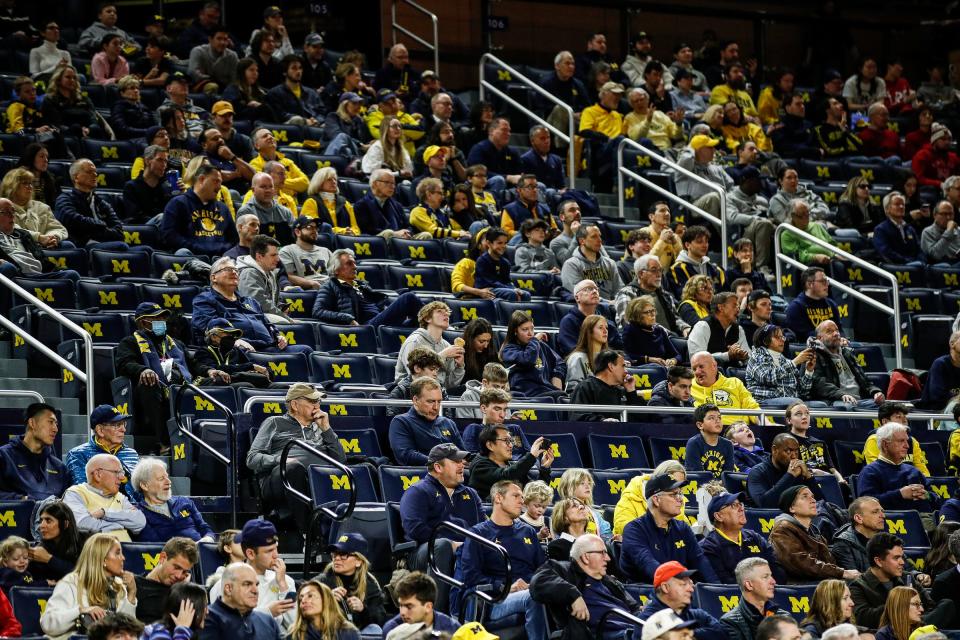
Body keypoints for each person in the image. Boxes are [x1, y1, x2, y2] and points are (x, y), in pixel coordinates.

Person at [449, 480, 547, 640]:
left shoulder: (527, 531)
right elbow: (471, 576)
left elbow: (542, 567)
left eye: (522, 497)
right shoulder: (478, 533)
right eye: (516, 496)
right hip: (495, 599)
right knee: (533, 598)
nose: (521, 501)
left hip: (530, 589)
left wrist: (535, 583)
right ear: (498, 498)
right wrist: (505, 587)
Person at [246, 384, 343, 531]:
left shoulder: (319, 426)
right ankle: (309, 533)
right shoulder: (274, 423)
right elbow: (252, 459)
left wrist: (327, 430)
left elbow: (340, 461)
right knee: (293, 468)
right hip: (280, 478)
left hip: (316, 477)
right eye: (312, 401)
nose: (317, 406)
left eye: (318, 402)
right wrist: (281, 460)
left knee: (367, 467)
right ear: (294, 404)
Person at [114, 302, 195, 454]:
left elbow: (194, 365)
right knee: (149, 384)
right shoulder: (130, 342)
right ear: (143, 321)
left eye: (163, 318)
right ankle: (164, 443)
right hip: (149, 389)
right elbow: (124, 363)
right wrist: (143, 370)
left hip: (178, 386)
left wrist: (210, 371)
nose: (162, 322)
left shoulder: (176, 344)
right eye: (157, 318)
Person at [530, 532, 640, 640]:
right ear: (585, 557)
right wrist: (574, 595)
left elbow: (634, 608)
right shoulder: (566, 571)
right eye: (602, 553)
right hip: (604, 634)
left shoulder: (609, 581)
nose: (608, 558)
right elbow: (538, 581)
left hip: (634, 629)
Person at [193, 257, 311, 354]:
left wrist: (278, 335)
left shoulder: (250, 301)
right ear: (214, 277)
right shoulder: (204, 300)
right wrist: (233, 341)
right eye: (228, 269)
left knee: (305, 350)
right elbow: (207, 327)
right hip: (238, 351)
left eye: (236, 270)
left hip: (269, 347)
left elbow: (267, 323)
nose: (234, 272)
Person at [620, 474, 718, 582]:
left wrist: (717, 592)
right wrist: (677, 584)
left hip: (679, 590)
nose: (681, 499)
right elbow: (648, 564)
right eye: (674, 494)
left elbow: (701, 563)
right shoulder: (634, 530)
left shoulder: (682, 528)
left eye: (680, 494)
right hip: (645, 594)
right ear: (656, 500)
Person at [40, 533, 138, 640]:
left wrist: (131, 594)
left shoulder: (119, 585)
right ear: (103, 559)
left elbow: (126, 631)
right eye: (118, 553)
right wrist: (81, 610)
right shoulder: (72, 582)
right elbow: (48, 624)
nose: (123, 558)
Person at [208, 518, 297, 633]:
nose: (276, 555)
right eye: (269, 551)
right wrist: (268, 612)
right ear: (250, 554)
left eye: (276, 548)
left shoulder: (285, 581)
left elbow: (295, 625)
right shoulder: (226, 584)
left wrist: (283, 586)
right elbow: (226, 628)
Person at [850, 534, 950, 631]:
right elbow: (864, 619)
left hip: (920, 628)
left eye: (902, 557)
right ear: (878, 561)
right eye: (896, 558)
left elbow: (929, 606)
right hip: (890, 634)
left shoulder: (907, 577)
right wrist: (902, 605)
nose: (902, 562)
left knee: (947, 605)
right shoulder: (858, 587)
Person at [769, 485, 858, 583]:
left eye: (812, 496)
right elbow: (800, 562)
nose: (813, 500)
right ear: (791, 508)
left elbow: (828, 561)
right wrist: (842, 573)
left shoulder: (813, 530)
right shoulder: (782, 529)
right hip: (803, 587)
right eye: (805, 497)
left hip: (823, 583)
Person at [312, 249, 423, 327]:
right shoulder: (330, 285)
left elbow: (378, 304)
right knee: (408, 298)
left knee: (420, 324)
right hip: (365, 326)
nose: (355, 266)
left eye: (354, 263)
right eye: (349, 263)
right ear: (336, 269)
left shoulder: (361, 284)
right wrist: (347, 318)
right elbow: (318, 311)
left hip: (380, 321)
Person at [857, 423, 940, 518]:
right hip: (891, 525)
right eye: (901, 441)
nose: (907, 446)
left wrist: (927, 495)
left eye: (907, 441)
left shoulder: (914, 471)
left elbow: (936, 499)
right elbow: (866, 505)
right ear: (885, 444)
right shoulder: (870, 472)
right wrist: (900, 494)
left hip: (927, 522)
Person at [701, 492, 784, 584]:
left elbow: (777, 570)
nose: (741, 509)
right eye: (734, 505)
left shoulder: (754, 537)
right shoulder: (708, 547)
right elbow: (723, 584)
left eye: (741, 504)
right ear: (719, 516)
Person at [63, 453, 146, 542]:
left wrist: (104, 513)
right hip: (96, 554)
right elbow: (81, 523)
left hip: (126, 552)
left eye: (122, 473)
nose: (122, 478)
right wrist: (118, 526)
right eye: (117, 472)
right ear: (98, 474)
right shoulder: (75, 493)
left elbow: (140, 522)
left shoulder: (120, 497)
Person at [636, 560, 726, 639]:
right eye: (683, 584)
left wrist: (687, 633)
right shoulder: (647, 621)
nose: (691, 589)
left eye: (690, 584)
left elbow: (722, 634)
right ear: (665, 588)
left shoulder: (697, 615)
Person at [161, 163, 237, 256]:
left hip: (220, 260)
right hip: (192, 257)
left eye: (220, 182)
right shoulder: (178, 203)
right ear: (201, 179)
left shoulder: (223, 208)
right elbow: (169, 236)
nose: (219, 187)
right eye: (216, 181)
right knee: (182, 253)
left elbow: (234, 239)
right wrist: (198, 249)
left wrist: (223, 250)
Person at [64, 405, 139, 497]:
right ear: (100, 430)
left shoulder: (131, 453)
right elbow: (83, 491)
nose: (123, 429)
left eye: (124, 424)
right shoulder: (78, 454)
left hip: (131, 508)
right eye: (117, 425)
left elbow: (138, 490)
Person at [132, 458, 215, 542]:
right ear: (144, 485)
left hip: (201, 551)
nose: (168, 481)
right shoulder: (139, 513)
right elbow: (154, 545)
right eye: (161, 479)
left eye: (167, 477)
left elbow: (205, 528)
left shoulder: (184, 502)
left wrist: (208, 539)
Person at [318, 534, 386, 635]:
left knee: (374, 629)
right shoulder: (324, 580)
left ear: (358, 561)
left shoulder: (370, 584)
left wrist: (363, 610)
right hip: (330, 632)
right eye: (334, 555)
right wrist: (326, 598)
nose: (336, 558)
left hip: (359, 632)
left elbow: (380, 618)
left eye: (343, 555)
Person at [388, 375, 464, 465]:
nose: (436, 407)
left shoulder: (448, 423)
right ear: (416, 400)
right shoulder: (401, 422)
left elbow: (462, 453)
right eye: (431, 401)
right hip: (420, 474)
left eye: (439, 401)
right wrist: (441, 463)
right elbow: (406, 455)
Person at [468, 419, 553, 498]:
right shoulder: (480, 467)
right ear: (490, 445)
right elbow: (505, 476)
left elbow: (535, 495)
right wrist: (531, 456)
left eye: (511, 441)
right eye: (506, 441)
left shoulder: (511, 467)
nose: (511, 445)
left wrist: (544, 469)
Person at [0, 401, 67, 500]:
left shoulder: (59, 467)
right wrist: (23, 500)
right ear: (32, 423)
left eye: (56, 424)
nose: (55, 429)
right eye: (50, 422)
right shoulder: (4, 456)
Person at [54, 158, 126, 247]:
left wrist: (95, 230)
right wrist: (100, 224)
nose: (95, 174)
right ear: (76, 177)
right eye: (89, 172)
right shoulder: (65, 199)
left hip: (103, 244)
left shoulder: (102, 203)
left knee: (145, 249)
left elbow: (119, 233)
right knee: (120, 246)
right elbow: (72, 220)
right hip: (81, 246)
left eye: (95, 172)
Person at [203, 562, 282, 640]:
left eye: (256, 585)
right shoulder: (205, 618)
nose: (255, 591)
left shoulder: (268, 621)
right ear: (228, 589)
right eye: (247, 584)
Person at [745, 325, 817, 408]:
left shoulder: (785, 361)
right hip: (763, 402)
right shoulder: (756, 357)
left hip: (792, 402)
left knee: (820, 405)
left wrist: (809, 371)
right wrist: (795, 362)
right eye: (777, 337)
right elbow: (768, 378)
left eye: (782, 337)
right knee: (795, 403)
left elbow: (802, 391)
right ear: (765, 341)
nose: (782, 340)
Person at [500, 310, 566, 399]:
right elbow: (528, 360)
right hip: (526, 394)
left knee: (564, 397)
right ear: (515, 331)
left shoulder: (540, 345)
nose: (530, 333)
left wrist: (556, 376)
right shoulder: (508, 350)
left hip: (546, 390)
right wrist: (535, 341)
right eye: (525, 329)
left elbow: (560, 363)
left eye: (532, 328)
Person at [132, 536, 199, 623]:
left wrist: (184, 591)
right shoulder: (134, 585)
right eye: (176, 567)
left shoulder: (181, 592)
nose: (179, 576)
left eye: (184, 572)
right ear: (162, 558)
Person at [747, 433, 824, 508]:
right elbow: (764, 504)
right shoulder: (757, 472)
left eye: (796, 451)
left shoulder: (799, 471)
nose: (794, 456)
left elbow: (820, 504)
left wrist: (809, 477)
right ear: (774, 450)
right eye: (788, 451)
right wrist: (789, 476)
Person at [720, 558, 790, 640]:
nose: (773, 581)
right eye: (765, 577)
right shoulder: (730, 622)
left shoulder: (784, 616)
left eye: (771, 575)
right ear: (749, 585)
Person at [570, 348, 645, 421]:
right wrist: (602, 421)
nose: (626, 371)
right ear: (611, 366)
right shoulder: (585, 387)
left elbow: (642, 419)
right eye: (623, 366)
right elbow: (578, 417)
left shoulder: (623, 390)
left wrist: (631, 391)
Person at [690, 351, 762, 425]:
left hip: (739, 429)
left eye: (701, 366)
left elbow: (751, 407)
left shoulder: (734, 383)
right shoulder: (688, 386)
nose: (697, 372)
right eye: (694, 369)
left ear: (714, 365)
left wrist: (767, 423)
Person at [380, 572, 460, 638]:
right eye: (401, 605)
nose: (402, 612)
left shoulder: (453, 628)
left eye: (409, 606)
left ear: (428, 607)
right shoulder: (392, 629)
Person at [561, 224, 623, 301]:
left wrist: (618, 302)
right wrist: (608, 303)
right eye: (594, 237)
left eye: (599, 236)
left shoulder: (610, 263)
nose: (599, 239)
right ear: (582, 241)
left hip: (611, 309)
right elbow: (580, 294)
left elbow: (620, 290)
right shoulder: (571, 265)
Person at [687, 292, 750, 366]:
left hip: (731, 374)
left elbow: (749, 355)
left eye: (738, 306)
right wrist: (727, 355)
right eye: (734, 305)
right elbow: (696, 357)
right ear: (721, 308)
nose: (738, 309)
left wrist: (744, 356)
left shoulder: (738, 329)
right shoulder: (703, 326)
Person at [28, 500, 82, 583]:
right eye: (41, 521)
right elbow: (29, 580)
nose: (41, 526)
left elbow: (85, 575)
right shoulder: (40, 549)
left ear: (65, 524)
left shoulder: (87, 543)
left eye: (48, 521)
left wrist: (49, 559)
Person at [466, 116, 523, 192]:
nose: (508, 134)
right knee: (499, 180)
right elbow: (476, 174)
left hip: (510, 188)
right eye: (504, 130)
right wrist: (507, 177)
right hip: (485, 187)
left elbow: (519, 173)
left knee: (537, 184)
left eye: (509, 131)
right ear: (491, 131)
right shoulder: (479, 149)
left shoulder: (513, 152)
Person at [784, 268, 842, 342]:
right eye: (822, 281)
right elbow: (803, 336)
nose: (827, 284)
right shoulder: (796, 307)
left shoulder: (831, 304)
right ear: (809, 284)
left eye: (827, 281)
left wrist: (842, 339)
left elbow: (840, 330)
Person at [621, 295, 681, 367]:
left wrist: (673, 360)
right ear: (637, 315)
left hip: (665, 368)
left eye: (653, 310)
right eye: (647, 312)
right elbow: (628, 356)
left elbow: (677, 355)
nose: (653, 315)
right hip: (644, 371)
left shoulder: (659, 330)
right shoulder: (630, 331)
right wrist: (649, 359)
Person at [42, 65, 100, 139]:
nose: (72, 80)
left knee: (95, 128)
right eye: (68, 77)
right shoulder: (50, 99)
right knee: (75, 128)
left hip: (88, 133)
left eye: (74, 78)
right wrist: (76, 130)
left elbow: (93, 117)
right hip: (65, 134)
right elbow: (55, 124)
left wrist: (89, 129)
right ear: (59, 80)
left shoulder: (84, 99)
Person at [830, 496, 886, 573]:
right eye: (875, 512)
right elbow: (853, 581)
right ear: (858, 518)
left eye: (882, 511)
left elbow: (905, 569)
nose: (883, 516)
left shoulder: (886, 539)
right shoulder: (843, 545)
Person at [300, 168, 360, 236]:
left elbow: (356, 229)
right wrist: (342, 231)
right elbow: (313, 227)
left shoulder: (346, 203)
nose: (334, 182)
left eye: (335, 179)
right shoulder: (311, 202)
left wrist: (352, 232)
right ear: (319, 183)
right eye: (329, 179)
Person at [121, 145, 173, 223]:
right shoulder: (131, 187)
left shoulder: (166, 186)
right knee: (161, 218)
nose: (164, 165)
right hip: (142, 228)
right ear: (147, 161)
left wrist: (179, 195)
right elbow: (134, 216)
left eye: (165, 161)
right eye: (160, 160)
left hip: (164, 226)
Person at [142, 582, 208, 640]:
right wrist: (182, 629)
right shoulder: (160, 631)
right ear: (188, 609)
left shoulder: (190, 633)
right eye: (204, 606)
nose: (207, 611)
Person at [684, 404, 735, 479]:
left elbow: (728, 474)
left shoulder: (728, 444)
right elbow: (697, 474)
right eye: (711, 418)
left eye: (719, 417)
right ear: (700, 425)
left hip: (722, 488)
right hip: (701, 487)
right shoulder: (693, 443)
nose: (717, 420)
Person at [500, 173, 557, 239]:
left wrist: (551, 232)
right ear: (519, 190)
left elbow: (554, 228)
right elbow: (506, 232)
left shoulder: (544, 208)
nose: (535, 190)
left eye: (536, 187)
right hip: (521, 245)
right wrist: (529, 234)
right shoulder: (509, 209)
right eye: (530, 187)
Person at [873, 191, 923, 265]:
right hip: (897, 267)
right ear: (887, 209)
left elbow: (919, 251)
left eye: (903, 204)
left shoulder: (910, 228)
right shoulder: (880, 229)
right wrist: (909, 262)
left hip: (916, 266)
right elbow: (886, 253)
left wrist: (922, 261)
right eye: (897, 204)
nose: (901, 207)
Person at [188, 25, 238, 93]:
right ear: (210, 39)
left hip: (225, 90)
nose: (223, 42)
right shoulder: (198, 51)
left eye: (225, 39)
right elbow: (193, 73)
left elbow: (235, 79)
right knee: (212, 86)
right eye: (219, 39)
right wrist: (212, 80)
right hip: (202, 89)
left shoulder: (232, 56)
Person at [912, 123, 960, 188]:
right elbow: (918, 178)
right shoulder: (922, 155)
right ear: (934, 141)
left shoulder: (954, 157)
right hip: (929, 190)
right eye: (943, 139)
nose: (947, 142)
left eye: (949, 139)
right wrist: (939, 184)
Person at [921, 200, 960, 267]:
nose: (948, 217)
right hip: (940, 268)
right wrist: (948, 232)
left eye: (951, 214)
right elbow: (936, 256)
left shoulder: (958, 230)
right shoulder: (927, 232)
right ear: (935, 215)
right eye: (944, 214)